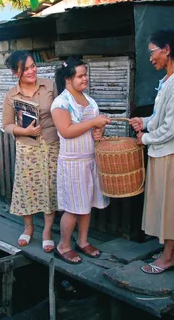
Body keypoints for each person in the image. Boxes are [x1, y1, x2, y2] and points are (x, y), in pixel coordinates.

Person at [129, 30, 174, 274]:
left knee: (171, 206)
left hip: (172, 153)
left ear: (167, 50)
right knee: (166, 204)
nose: (150, 57)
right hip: (162, 151)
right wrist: (144, 122)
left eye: (152, 51)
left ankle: (168, 258)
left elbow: (173, 127)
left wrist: (145, 138)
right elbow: (161, 118)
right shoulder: (168, 80)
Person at [51, 57, 111, 264]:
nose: (85, 78)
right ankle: (63, 245)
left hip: (90, 159)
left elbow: (93, 129)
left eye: (86, 74)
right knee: (74, 207)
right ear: (68, 79)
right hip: (73, 162)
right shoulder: (61, 103)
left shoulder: (89, 100)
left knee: (88, 204)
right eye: (81, 76)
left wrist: (99, 130)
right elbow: (66, 131)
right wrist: (94, 122)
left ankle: (83, 241)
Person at [2, 50, 59, 253]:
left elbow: (61, 111)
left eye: (33, 66)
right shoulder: (11, 95)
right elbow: (7, 125)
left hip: (51, 144)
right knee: (27, 187)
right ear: (15, 72)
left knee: (49, 187)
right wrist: (24, 131)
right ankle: (29, 228)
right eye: (25, 68)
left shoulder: (50, 86)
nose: (31, 71)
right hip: (27, 146)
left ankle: (47, 232)